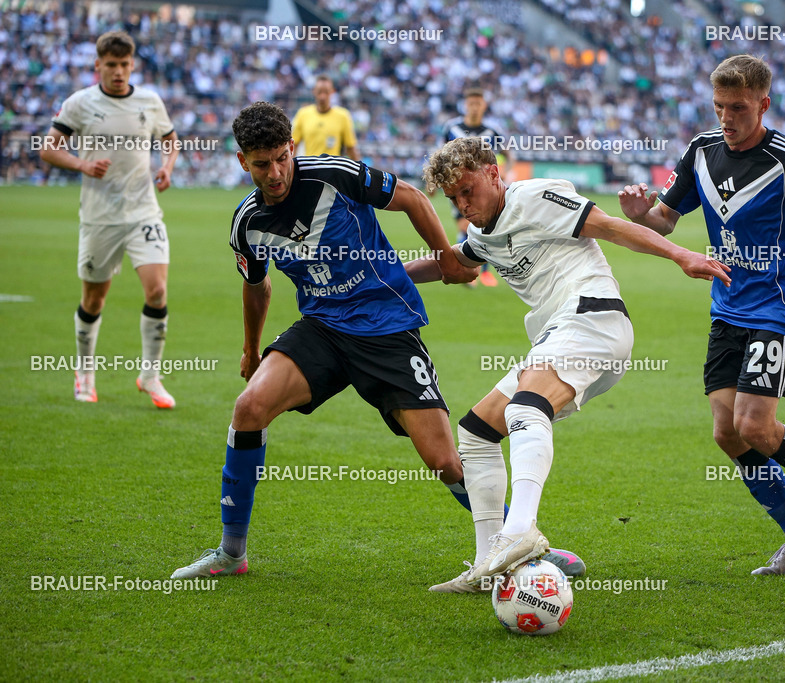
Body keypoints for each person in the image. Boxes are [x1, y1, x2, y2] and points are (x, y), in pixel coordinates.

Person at [170, 101, 479, 578]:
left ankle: (521, 541)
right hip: (322, 329)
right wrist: (252, 350)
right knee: (249, 408)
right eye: (261, 163)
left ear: (292, 148)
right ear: (241, 162)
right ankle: (232, 553)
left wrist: (449, 260)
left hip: (385, 326)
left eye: (281, 157)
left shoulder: (336, 174)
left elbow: (414, 198)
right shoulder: (247, 223)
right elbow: (258, 285)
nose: (274, 173)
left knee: (444, 461)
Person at [408, 137, 730, 591]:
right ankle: (487, 563)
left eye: (468, 190)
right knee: (476, 432)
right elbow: (454, 264)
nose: (463, 204)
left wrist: (681, 255)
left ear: (494, 175)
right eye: (453, 199)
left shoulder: (534, 197)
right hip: (561, 335)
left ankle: (520, 530)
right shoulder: (481, 232)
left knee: (524, 409)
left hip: (593, 318)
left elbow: (612, 226)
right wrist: (387, 274)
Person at [619, 54, 785, 576]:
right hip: (727, 309)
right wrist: (640, 216)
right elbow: (665, 220)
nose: (726, 118)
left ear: (764, 103)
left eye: (737, 108)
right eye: (718, 106)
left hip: (780, 310)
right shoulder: (701, 151)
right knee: (727, 433)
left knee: (755, 425)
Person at [39, 30, 179, 408]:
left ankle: (150, 376)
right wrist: (83, 163)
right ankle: (85, 372)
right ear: (98, 65)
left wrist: (166, 168)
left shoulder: (150, 101)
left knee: (158, 290)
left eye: (124, 65)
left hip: (143, 212)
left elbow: (171, 139)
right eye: (111, 65)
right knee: (94, 299)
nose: (118, 72)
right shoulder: (80, 103)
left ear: (132, 65)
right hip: (100, 218)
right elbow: (48, 149)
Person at [437, 88, 515, 287]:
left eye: (477, 104)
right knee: (465, 226)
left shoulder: (492, 131)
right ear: (465, 105)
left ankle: (483, 272)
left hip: (482, 189)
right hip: (457, 186)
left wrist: (505, 170)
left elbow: (508, 154)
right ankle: (467, 269)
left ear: (484, 106)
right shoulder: (452, 128)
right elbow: (439, 154)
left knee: (483, 225)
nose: (473, 107)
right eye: (470, 103)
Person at [291, 75, 359, 159]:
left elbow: (351, 148)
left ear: (332, 92)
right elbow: (294, 145)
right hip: (310, 168)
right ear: (314, 91)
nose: (322, 96)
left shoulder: (343, 116)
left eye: (326, 92)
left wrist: (360, 170)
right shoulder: (303, 114)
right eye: (320, 92)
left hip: (332, 169)